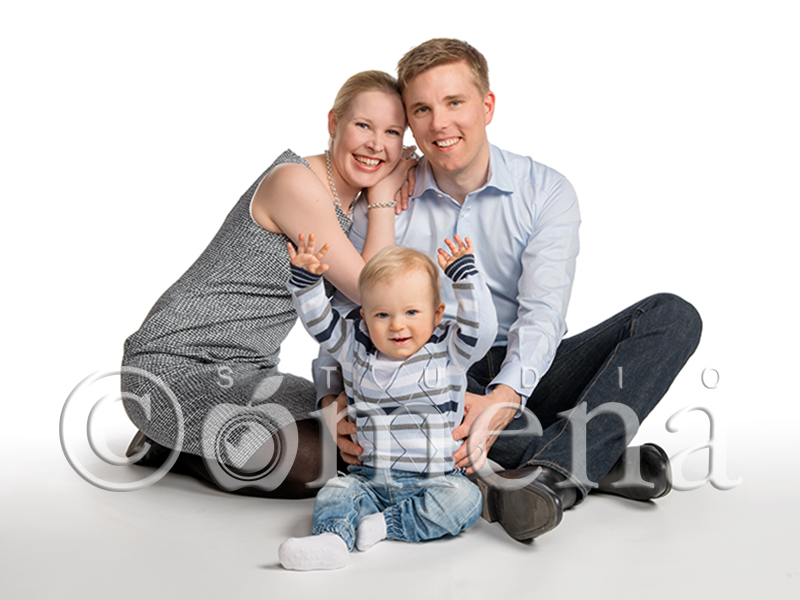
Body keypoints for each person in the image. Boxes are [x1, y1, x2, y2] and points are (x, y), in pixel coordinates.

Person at [315, 39, 703, 542]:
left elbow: (543, 314)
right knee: (426, 422)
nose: (440, 123)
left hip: (524, 369)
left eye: (454, 102)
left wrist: (504, 396)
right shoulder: (386, 200)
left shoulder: (545, 191)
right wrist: (331, 399)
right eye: (422, 110)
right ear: (410, 121)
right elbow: (351, 312)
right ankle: (586, 464)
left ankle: (553, 472)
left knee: (672, 316)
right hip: (430, 374)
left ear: (487, 106)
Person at [121, 70, 417, 498]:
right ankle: (169, 448)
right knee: (312, 463)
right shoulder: (294, 182)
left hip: (251, 373)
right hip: (172, 366)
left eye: (392, 132)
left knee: (359, 438)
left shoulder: (351, 206)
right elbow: (372, 292)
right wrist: (385, 196)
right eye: (363, 125)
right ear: (334, 123)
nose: (376, 144)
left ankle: (196, 443)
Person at [278, 234, 496, 570]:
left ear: (437, 314)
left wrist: (465, 276)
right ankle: (332, 540)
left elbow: (484, 329)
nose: (397, 325)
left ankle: (385, 526)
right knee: (336, 492)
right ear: (364, 316)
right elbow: (320, 323)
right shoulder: (355, 349)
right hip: (369, 480)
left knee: (465, 500)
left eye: (412, 312)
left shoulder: (448, 351)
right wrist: (307, 282)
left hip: (434, 481)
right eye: (382, 314)